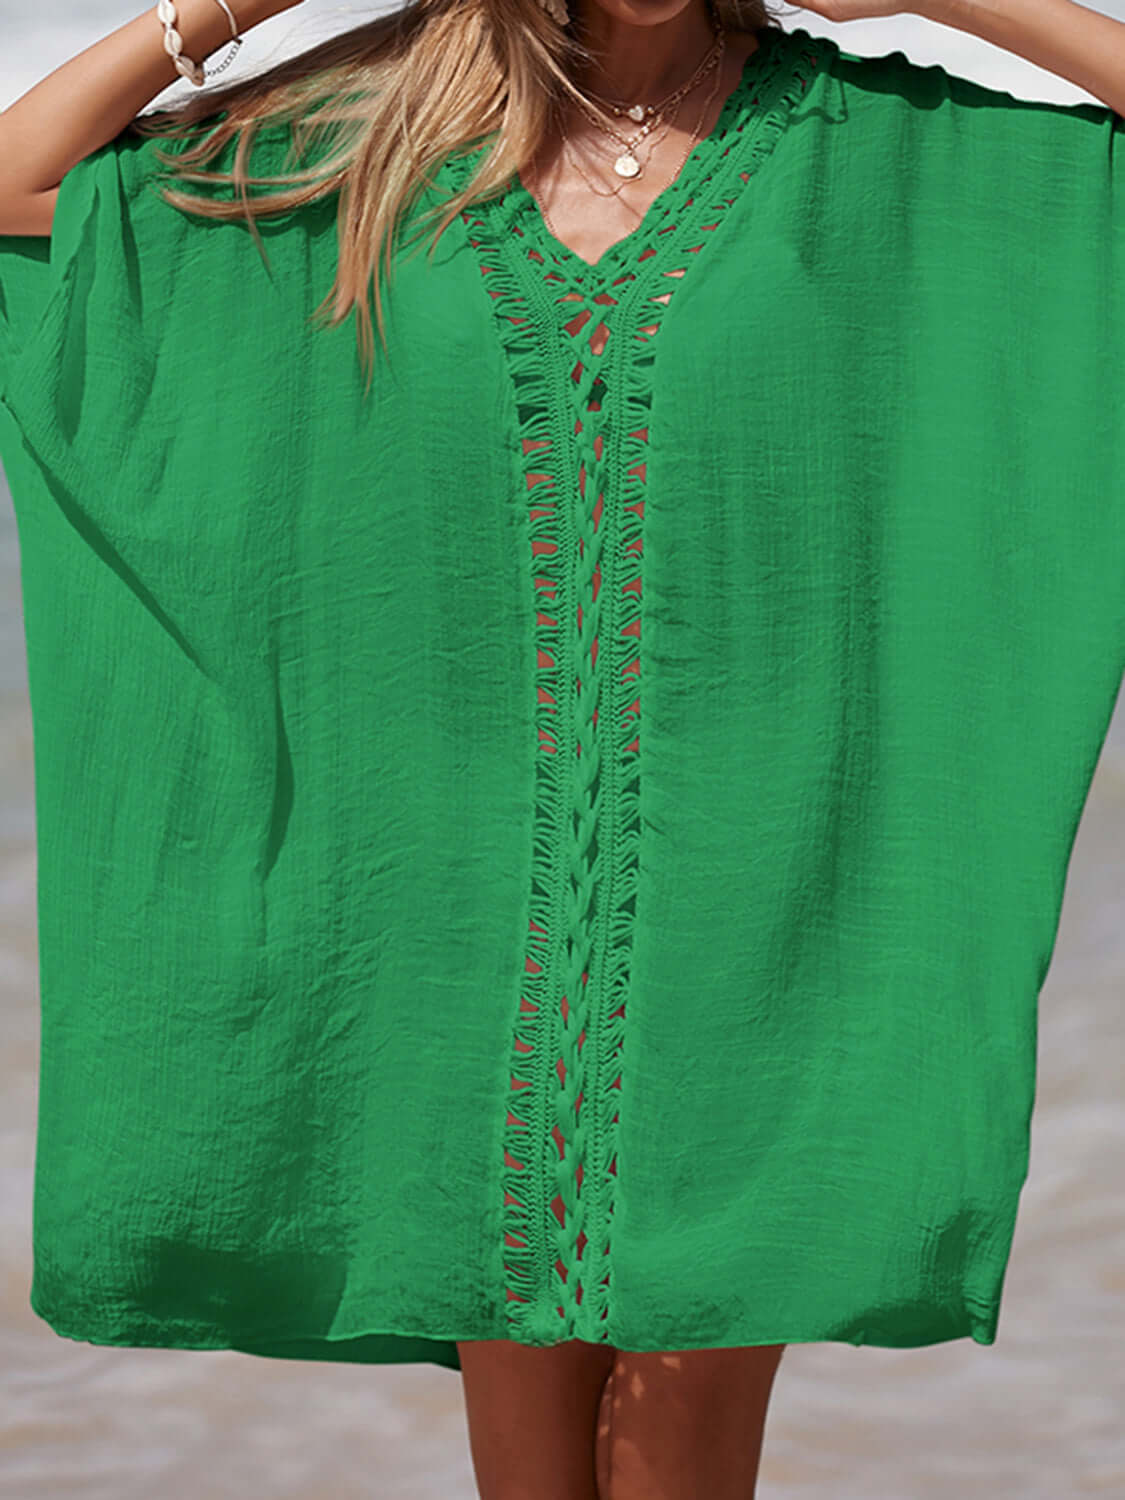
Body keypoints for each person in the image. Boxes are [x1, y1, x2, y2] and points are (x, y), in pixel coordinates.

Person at [1, 1, 1123, 1497]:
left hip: (765, 899)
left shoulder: (884, 146)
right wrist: (236, 8)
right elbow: (24, 193)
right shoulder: (373, 142)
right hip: (447, 923)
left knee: (686, 1455)